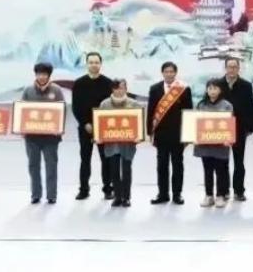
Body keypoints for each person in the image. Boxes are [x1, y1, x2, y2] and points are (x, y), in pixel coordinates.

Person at [148, 61, 193, 205]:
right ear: (162, 73)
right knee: (162, 165)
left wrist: (188, 134)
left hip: (178, 134)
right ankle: (163, 194)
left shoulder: (183, 89)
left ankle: (177, 194)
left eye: (171, 71)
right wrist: (150, 132)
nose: (169, 74)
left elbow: (189, 112)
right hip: (161, 134)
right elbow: (151, 111)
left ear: (175, 73)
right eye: (166, 71)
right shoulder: (154, 89)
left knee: (177, 164)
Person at [72, 52, 115, 200]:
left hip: (104, 128)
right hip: (85, 128)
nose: (94, 65)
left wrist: (102, 124)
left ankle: (108, 189)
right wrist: (85, 123)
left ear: (100, 64)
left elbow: (111, 106)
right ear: (87, 64)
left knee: (106, 159)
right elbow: (76, 107)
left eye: (96, 62)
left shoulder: (108, 83)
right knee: (85, 159)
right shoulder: (79, 83)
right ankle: (84, 189)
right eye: (91, 62)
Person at [23, 62, 65, 205]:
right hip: (32, 137)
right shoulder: (28, 91)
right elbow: (22, 112)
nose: (41, 77)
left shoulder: (57, 90)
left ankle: (51, 195)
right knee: (33, 166)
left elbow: (62, 111)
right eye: (39, 74)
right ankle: (36, 194)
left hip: (51, 137)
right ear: (35, 75)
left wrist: (59, 127)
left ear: (49, 75)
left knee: (51, 166)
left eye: (44, 74)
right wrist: (21, 128)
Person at [216, 58, 253, 202]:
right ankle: (224, 190)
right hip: (221, 129)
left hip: (239, 128)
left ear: (239, 69)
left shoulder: (246, 85)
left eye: (234, 67)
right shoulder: (217, 84)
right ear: (225, 68)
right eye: (229, 67)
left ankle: (239, 191)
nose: (232, 69)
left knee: (239, 161)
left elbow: (250, 107)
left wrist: (249, 128)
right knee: (222, 161)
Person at [99, 79, 141, 207]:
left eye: (121, 88)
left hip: (127, 143)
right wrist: (99, 136)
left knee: (126, 170)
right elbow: (100, 123)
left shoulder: (133, 103)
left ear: (126, 89)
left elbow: (139, 123)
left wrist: (139, 136)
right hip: (111, 143)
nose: (119, 91)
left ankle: (126, 197)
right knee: (114, 170)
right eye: (116, 88)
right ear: (112, 89)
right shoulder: (105, 104)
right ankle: (117, 196)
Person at [195, 79, 234, 208]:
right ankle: (209, 195)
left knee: (221, 170)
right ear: (206, 90)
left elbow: (230, 124)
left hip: (220, 144)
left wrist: (229, 138)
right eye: (210, 88)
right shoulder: (201, 105)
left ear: (220, 90)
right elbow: (196, 123)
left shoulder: (227, 105)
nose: (212, 91)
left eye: (215, 88)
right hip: (205, 144)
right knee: (207, 170)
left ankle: (220, 196)